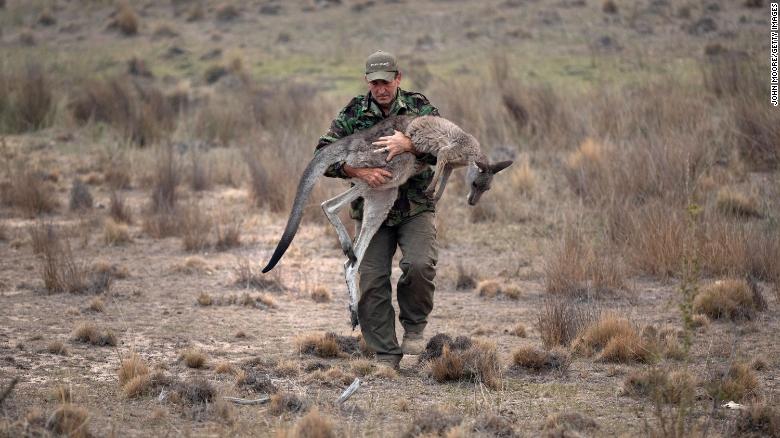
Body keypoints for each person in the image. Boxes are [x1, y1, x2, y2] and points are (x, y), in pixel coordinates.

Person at [314, 50, 440, 369]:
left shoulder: (419, 107)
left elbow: (445, 151)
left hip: (414, 205)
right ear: (367, 82)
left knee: (419, 266)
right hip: (371, 210)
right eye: (375, 83)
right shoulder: (353, 112)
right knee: (371, 279)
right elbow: (323, 156)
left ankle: (414, 329)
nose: (381, 88)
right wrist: (359, 172)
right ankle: (385, 354)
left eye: (386, 81)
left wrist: (409, 146)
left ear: (398, 78)